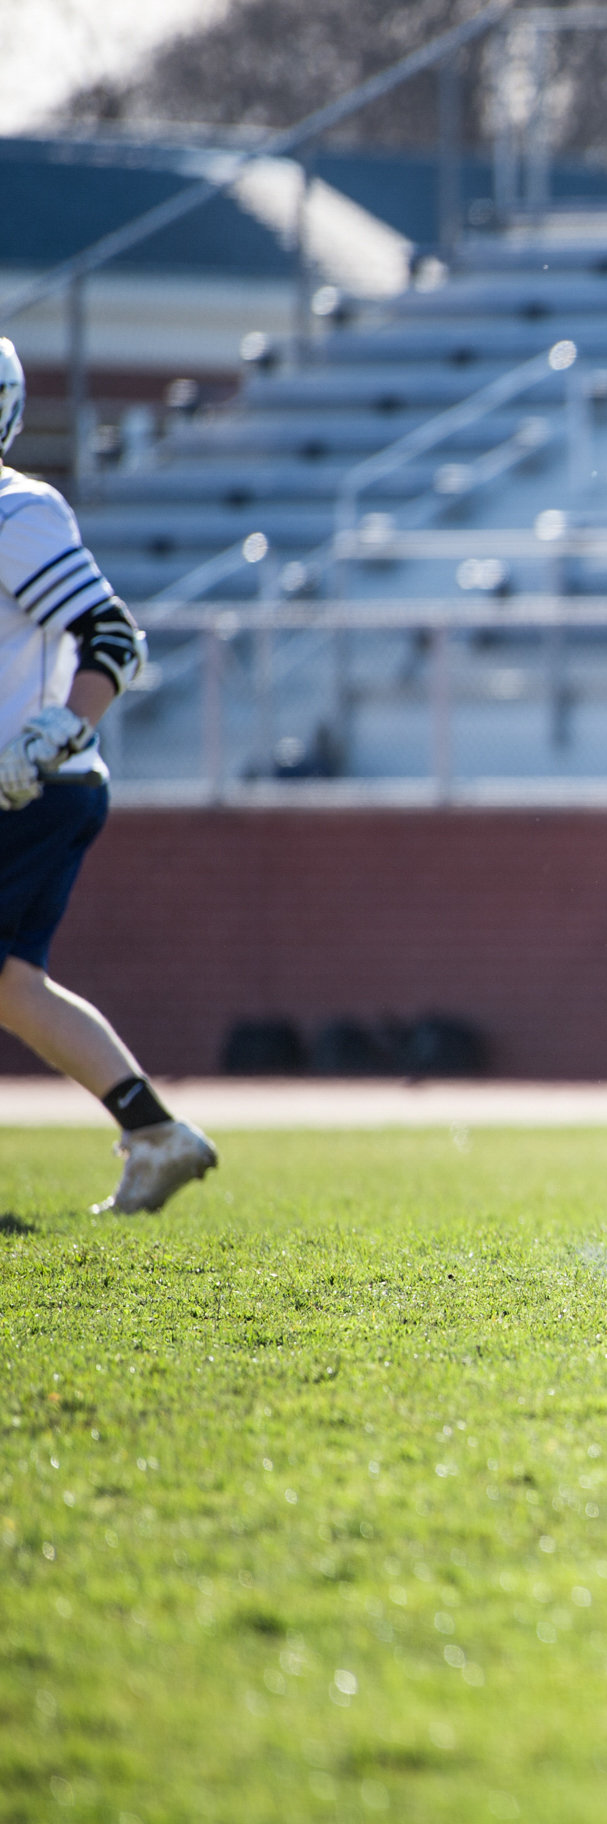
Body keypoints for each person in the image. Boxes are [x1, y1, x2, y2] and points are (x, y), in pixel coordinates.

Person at [0, 337, 217, 1214]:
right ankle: (157, 1134)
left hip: (30, 784)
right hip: (33, 785)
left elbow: (114, 637)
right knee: (13, 987)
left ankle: (158, 1133)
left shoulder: (17, 511)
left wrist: (57, 731)